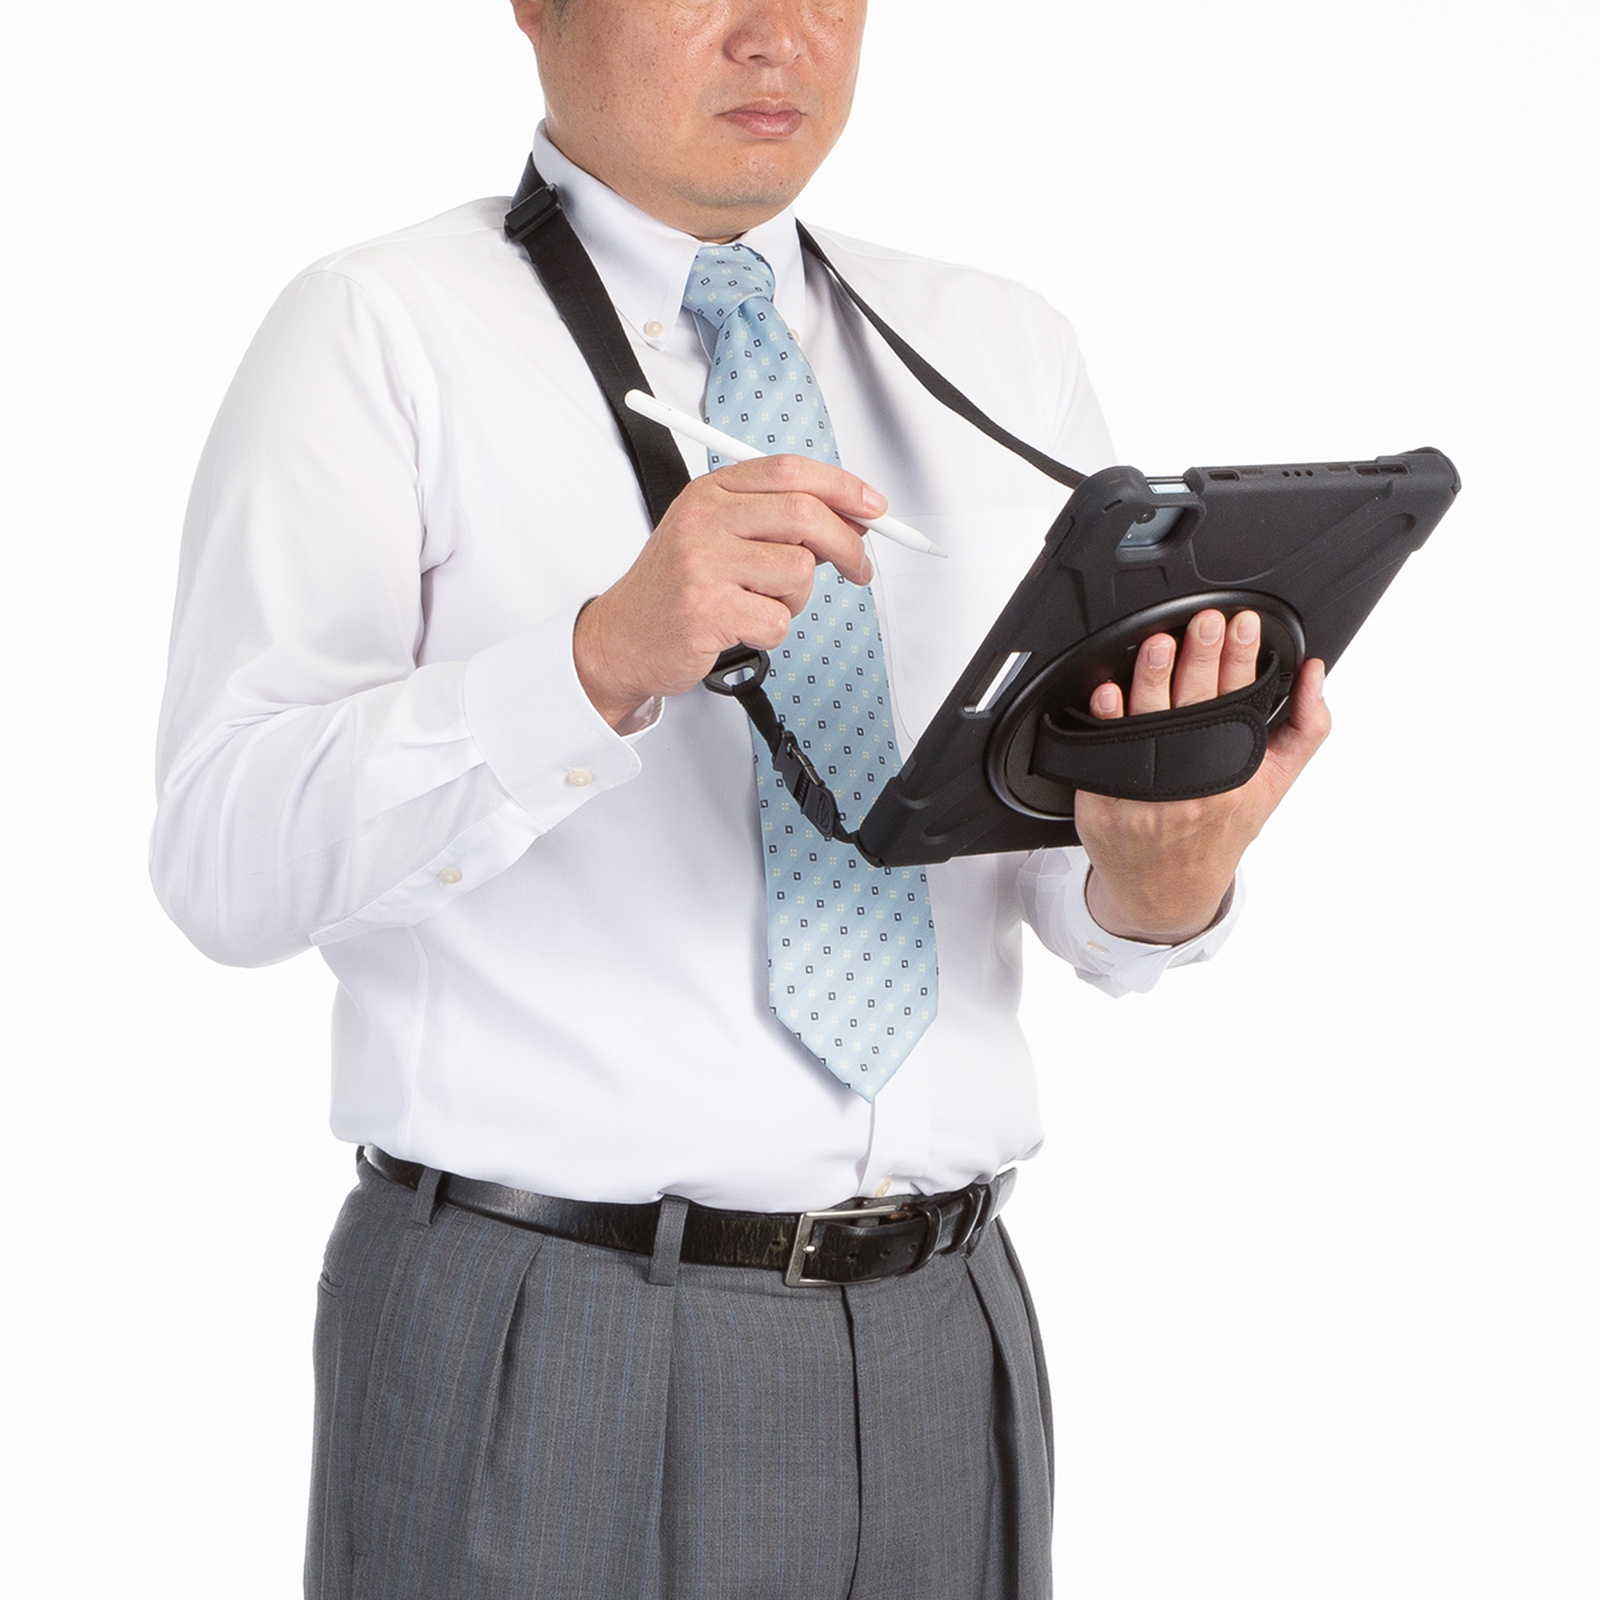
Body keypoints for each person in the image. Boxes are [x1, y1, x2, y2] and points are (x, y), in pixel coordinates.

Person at [152, 1, 1331, 1595]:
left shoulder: (1004, 349)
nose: (778, 34)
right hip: (547, 1334)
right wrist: (592, 663)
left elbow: (1081, 901)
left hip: (944, 1330)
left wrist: (1169, 866)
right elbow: (223, 860)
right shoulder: (376, 331)